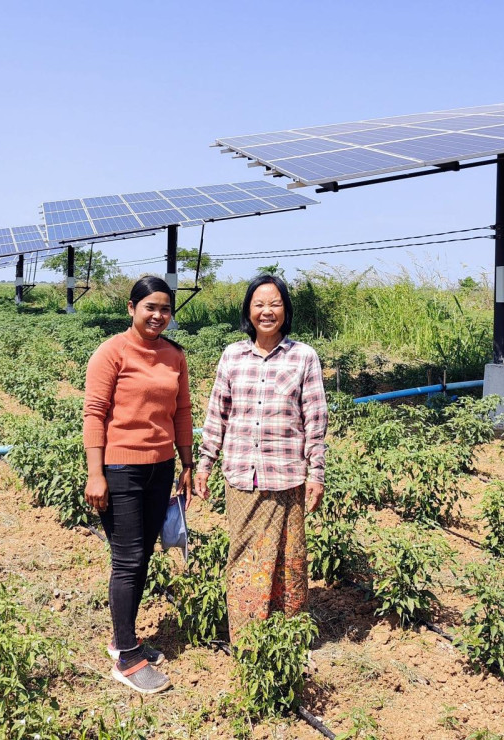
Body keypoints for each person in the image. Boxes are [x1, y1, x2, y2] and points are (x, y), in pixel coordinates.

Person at [194, 273, 327, 642]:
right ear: (248, 311)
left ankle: (285, 641)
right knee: (242, 557)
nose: (267, 311)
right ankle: (248, 641)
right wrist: (205, 462)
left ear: (286, 310)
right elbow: (217, 413)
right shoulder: (232, 355)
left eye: (275, 304)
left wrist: (316, 473)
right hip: (241, 475)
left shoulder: (303, 357)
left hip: (286, 476)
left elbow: (315, 420)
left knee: (288, 560)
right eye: (259, 304)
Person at [83, 276, 194, 694]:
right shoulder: (111, 352)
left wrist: (186, 461)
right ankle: (127, 658)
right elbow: (94, 414)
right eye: (150, 307)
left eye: (165, 309)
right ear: (132, 308)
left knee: (144, 552)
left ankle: (121, 638)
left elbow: (181, 411)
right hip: (120, 469)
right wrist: (96, 474)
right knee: (128, 559)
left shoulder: (174, 356)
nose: (158, 315)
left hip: (160, 467)